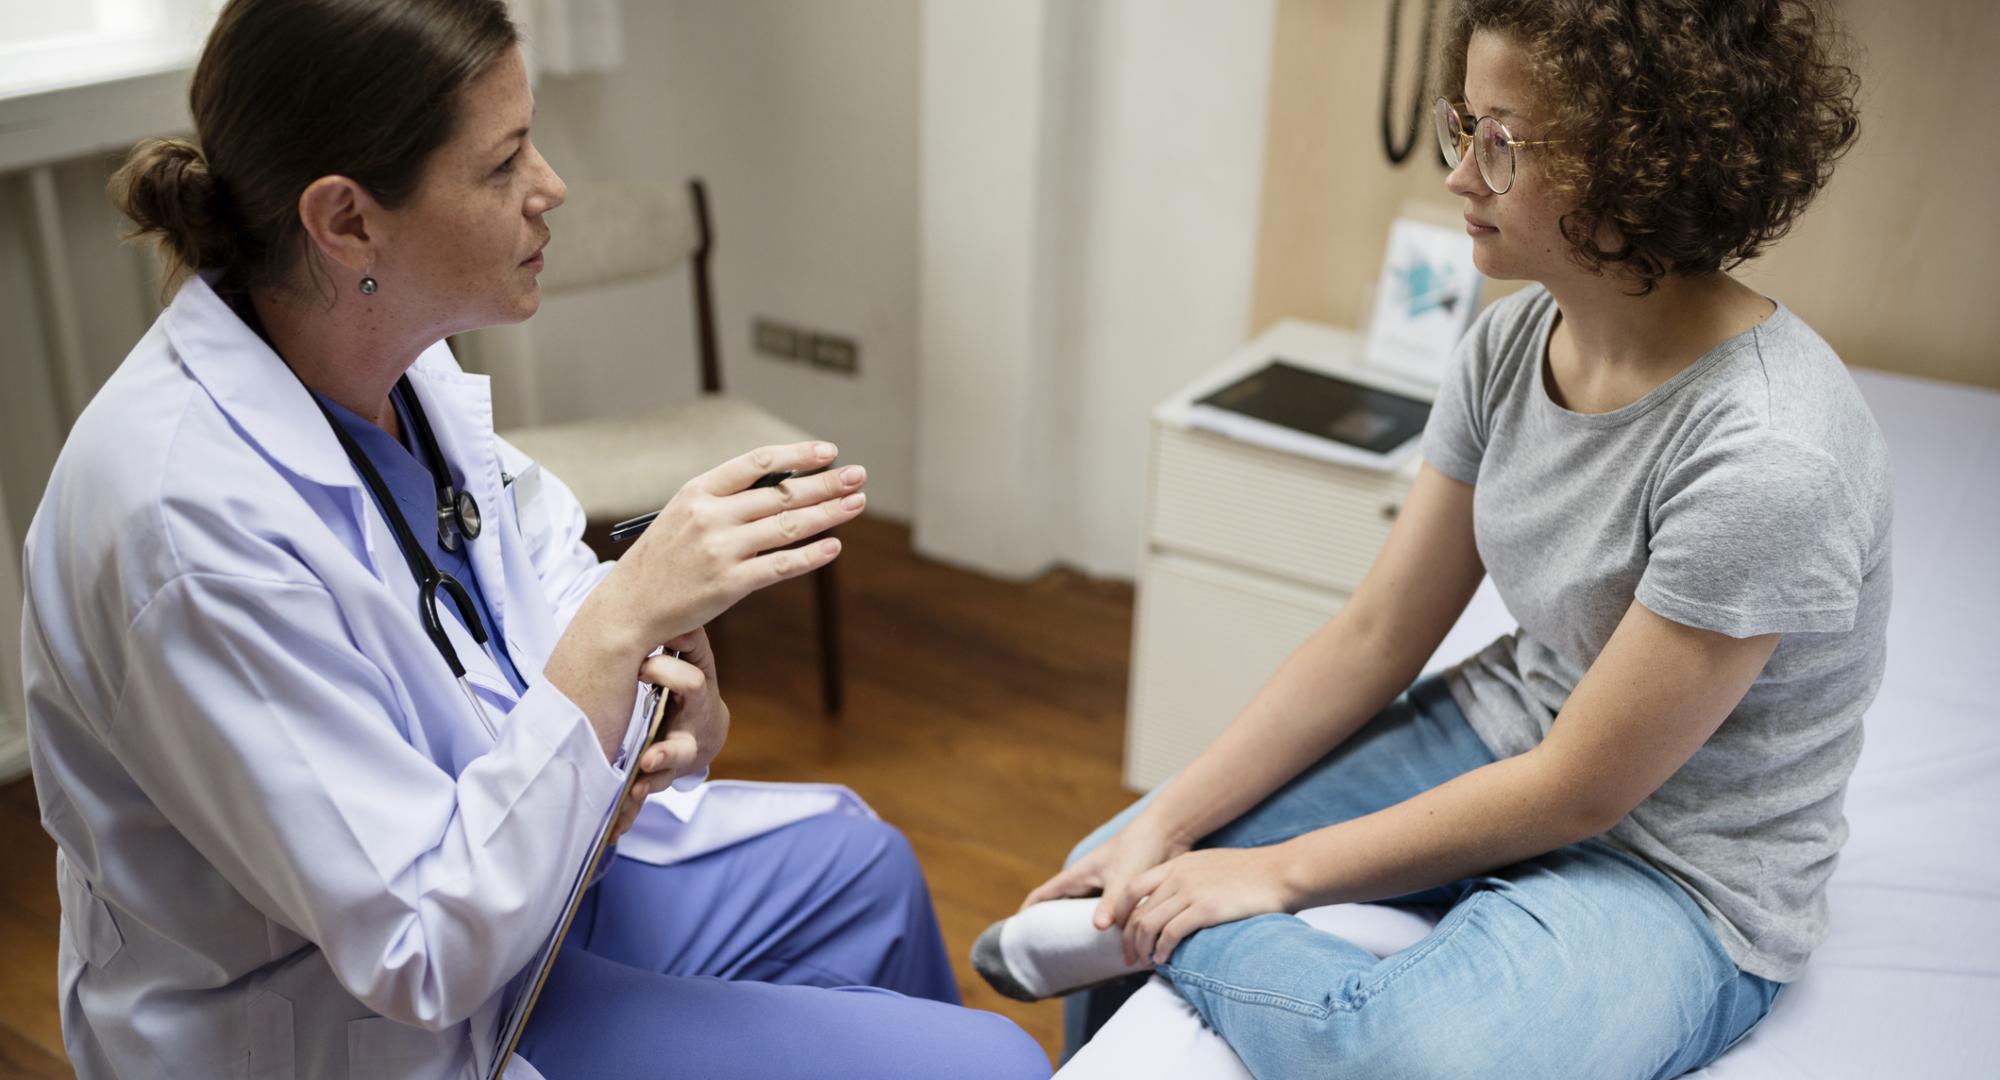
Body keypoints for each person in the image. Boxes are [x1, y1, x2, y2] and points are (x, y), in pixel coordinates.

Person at [21, 2, 1049, 1078]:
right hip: (368, 1016)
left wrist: (669, 700)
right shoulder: (185, 533)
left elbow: (536, 594)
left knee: (863, 871)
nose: (550, 186)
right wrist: (623, 623)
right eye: (505, 160)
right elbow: (417, 950)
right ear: (348, 221)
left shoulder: (387, 369)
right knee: (990, 1066)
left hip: (527, 893)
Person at [974, 1, 1880, 1076]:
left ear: (1641, 164)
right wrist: (1167, 821)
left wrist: (1273, 875)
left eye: (1503, 145)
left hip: (1678, 864)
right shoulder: (1505, 346)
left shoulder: (1768, 456)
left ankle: (1168, 942)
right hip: (1508, 733)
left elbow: (1583, 790)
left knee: (1406, 1054)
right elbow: (1374, 632)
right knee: (1111, 868)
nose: (1458, 176)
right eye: (1466, 126)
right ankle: (1144, 918)